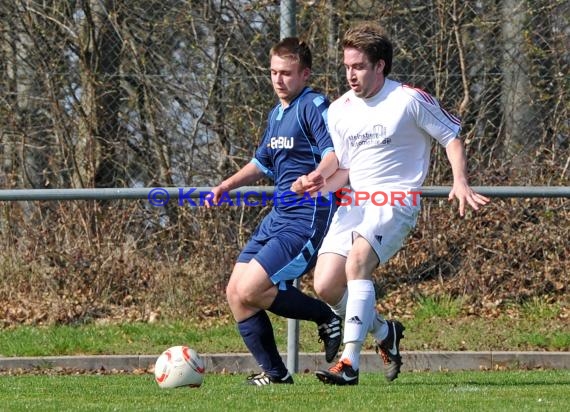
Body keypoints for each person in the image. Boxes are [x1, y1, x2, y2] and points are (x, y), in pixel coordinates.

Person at [292, 22, 490, 385]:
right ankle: (385, 334)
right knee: (325, 285)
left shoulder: (409, 100)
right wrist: (319, 182)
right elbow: (345, 169)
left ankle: (349, 364)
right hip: (355, 202)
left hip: (394, 200)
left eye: (359, 66)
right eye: (347, 67)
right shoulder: (338, 110)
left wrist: (459, 179)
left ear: (380, 65)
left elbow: (452, 136)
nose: (351, 75)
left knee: (358, 263)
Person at [207, 37, 342, 386]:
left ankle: (326, 316)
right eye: (273, 72)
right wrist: (226, 185)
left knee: (253, 288)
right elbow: (261, 162)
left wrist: (316, 176)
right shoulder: (276, 114)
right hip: (277, 216)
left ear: (304, 73)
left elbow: (334, 154)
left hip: (306, 216)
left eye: (286, 73)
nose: (278, 80)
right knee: (236, 292)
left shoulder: (313, 105)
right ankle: (276, 374)